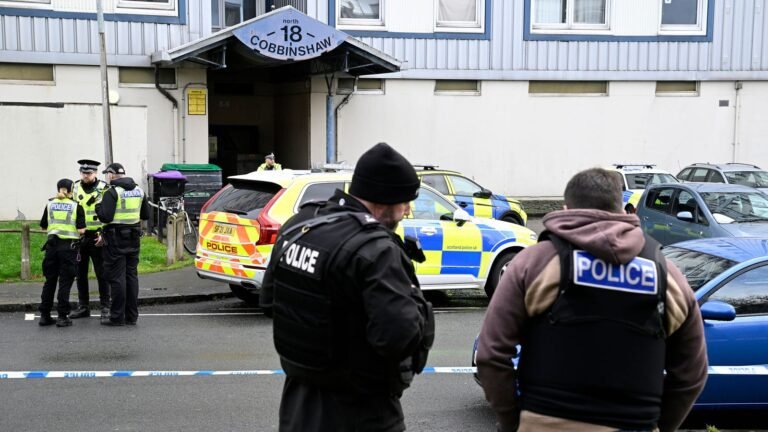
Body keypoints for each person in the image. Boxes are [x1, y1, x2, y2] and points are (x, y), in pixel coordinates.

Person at [476, 167, 708, 432]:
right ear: (623, 211)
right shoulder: (669, 278)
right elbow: (692, 375)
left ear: (566, 208)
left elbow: (491, 355)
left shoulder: (533, 265)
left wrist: (511, 422)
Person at [260, 142, 435, 432]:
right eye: (405, 201)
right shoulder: (377, 249)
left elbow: (269, 301)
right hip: (362, 411)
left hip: (298, 406)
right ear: (384, 199)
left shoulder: (301, 225)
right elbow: (399, 336)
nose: (406, 211)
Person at [95, 163, 149, 326]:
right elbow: (145, 214)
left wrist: (98, 207)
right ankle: (131, 316)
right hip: (133, 237)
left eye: (107, 174)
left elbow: (106, 217)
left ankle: (117, 317)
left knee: (117, 278)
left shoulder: (112, 192)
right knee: (131, 276)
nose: (107, 177)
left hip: (115, 238)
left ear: (111, 175)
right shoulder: (139, 190)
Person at [38, 179, 86, 327]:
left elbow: (43, 227)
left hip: (51, 247)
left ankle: (45, 316)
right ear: (71, 190)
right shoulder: (76, 206)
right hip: (68, 249)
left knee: (49, 282)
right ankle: (62, 316)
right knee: (65, 283)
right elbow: (81, 230)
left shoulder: (50, 204)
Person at [69, 159, 110, 320]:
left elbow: (108, 213)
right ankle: (83, 306)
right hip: (80, 237)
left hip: (97, 236)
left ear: (95, 173)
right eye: (83, 173)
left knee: (102, 273)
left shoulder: (104, 189)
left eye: (89, 173)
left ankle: (105, 307)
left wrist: (104, 233)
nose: (86, 175)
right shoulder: (74, 187)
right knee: (80, 274)